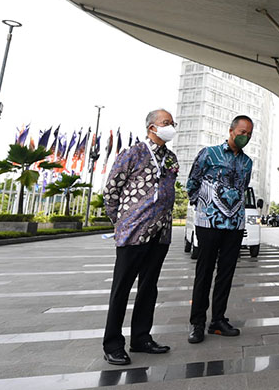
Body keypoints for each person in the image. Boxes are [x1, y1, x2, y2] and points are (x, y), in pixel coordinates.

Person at [102, 109, 180, 365]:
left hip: (160, 233)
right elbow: (112, 191)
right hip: (133, 233)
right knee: (121, 288)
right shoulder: (132, 153)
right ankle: (113, 344)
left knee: (149, 287)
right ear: (152, 127)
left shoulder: (170, 158)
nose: (171, 127)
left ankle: (141, 338)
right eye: (166, 123)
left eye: (172, 123)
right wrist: (122, 222)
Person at [186, 115, 254, 344]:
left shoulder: (247, 163)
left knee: (226, 272)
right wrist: (204, 208)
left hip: (234, 224)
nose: (245, 137)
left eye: (249, 134)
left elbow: (243, 188)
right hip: (209, 224)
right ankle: (197, 323)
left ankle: (218, 320)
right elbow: (192, 182)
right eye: (242, 132)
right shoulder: (209, 153)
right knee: (204, 272)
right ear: (231, 130)